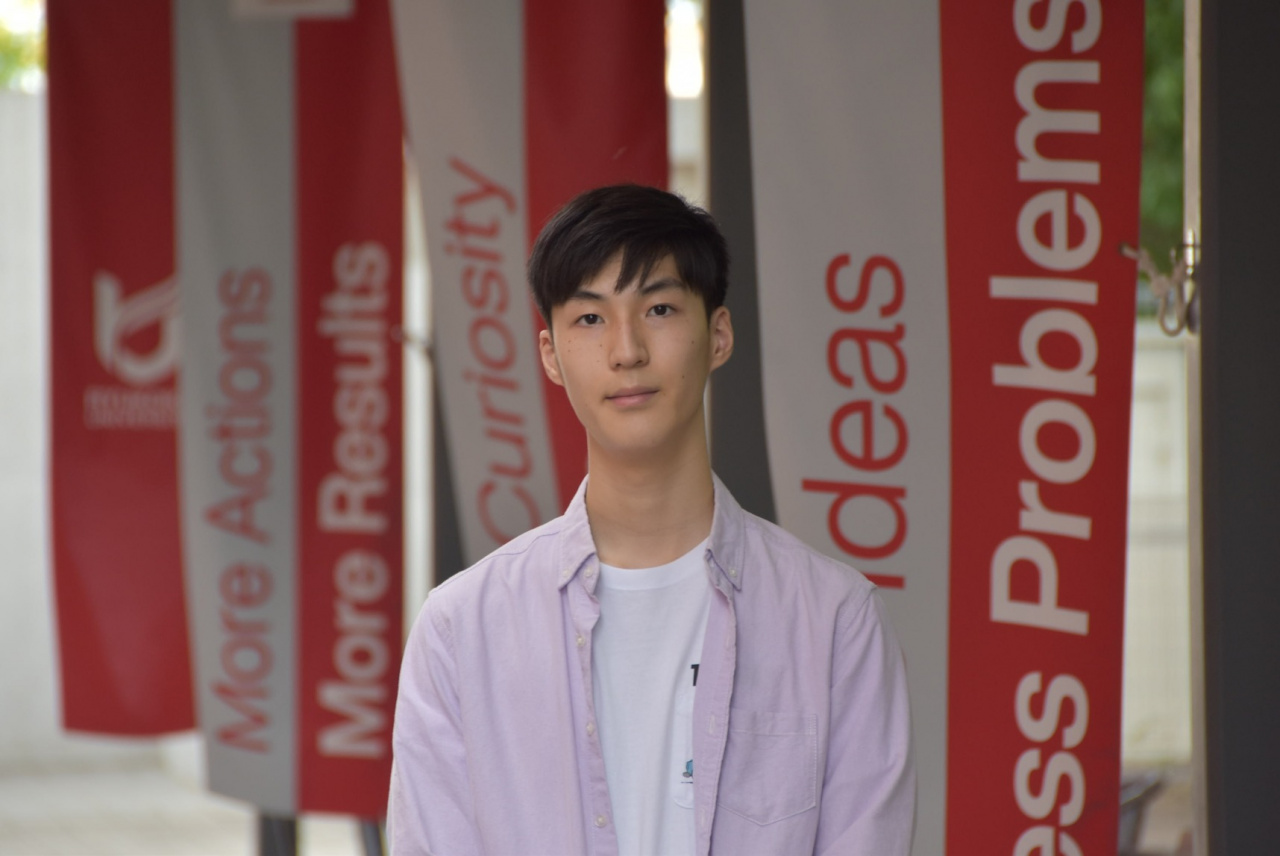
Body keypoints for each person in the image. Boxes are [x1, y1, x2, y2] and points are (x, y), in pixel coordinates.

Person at [387, 185, 915, 855]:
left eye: (659, 309)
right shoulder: (461, 629)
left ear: (718, 334)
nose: (626, 349)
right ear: (550, 354)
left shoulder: (834, 620)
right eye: (590, 318)